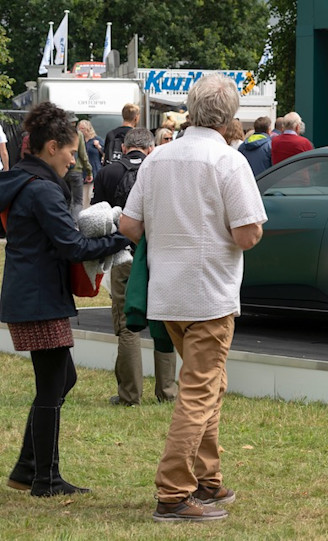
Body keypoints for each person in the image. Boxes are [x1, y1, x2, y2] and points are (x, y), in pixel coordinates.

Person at [119, 73, 267, 522]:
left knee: (208, 386)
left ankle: (207, 480)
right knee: (200, 391)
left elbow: (129, 225)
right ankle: (173, 493)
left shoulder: (158, 158)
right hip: (209, 296)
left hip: (167, 295)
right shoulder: (228, 161)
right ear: (229, 116)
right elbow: (247, 234)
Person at [0, 101, 131, 497]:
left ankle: (28, 469)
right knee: (53, 384)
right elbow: (72, 245)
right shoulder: (41, 189)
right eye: (71, 152)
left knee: (59, 380)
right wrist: (122, 237)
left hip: (33, 295)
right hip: (38, 297)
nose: (74, 160)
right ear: (52, 146)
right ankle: (45, 478)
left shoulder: (24, 179)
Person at [89, 128, 179, 407]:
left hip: (124, 255)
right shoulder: (163, 171)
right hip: (160, 255)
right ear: (150, 148)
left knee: (127, 326)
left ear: (124, 148)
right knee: (165, 321)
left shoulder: (108, 173)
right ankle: (167, 391)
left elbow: (97, 215)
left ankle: (130, 394)